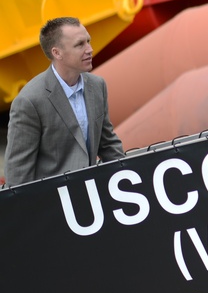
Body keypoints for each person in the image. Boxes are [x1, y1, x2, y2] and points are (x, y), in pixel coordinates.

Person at [3, 18, 124, 187]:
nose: (90, 49)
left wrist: (127, 175)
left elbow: (108, 143)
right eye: (80, 44)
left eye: (88, 41)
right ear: (57, 53)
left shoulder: (97, 86)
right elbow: (19, 171)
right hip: (52, 202)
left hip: (93, 193)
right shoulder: (29, 101)